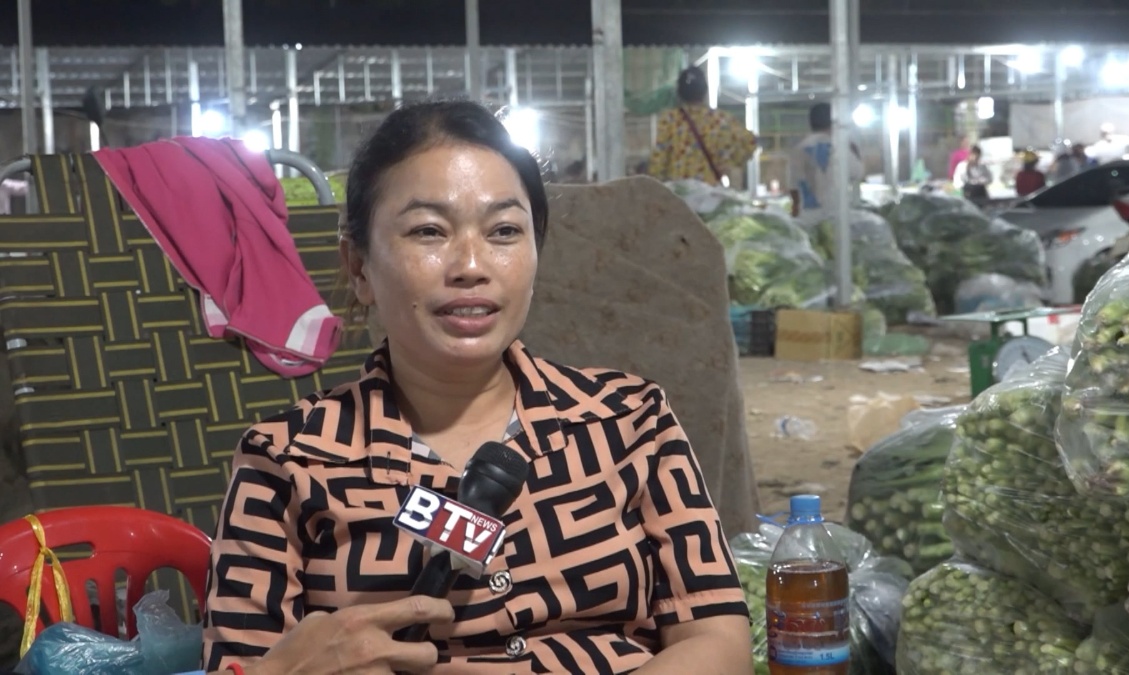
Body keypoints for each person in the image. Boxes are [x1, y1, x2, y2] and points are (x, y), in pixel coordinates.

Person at [200, 100, 753, 674]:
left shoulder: (630, 420)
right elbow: (241, 663)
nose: (471, 264)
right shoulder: (285, 461)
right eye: (429, 231)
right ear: (359, 267)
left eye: (504, 231)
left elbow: (717, 639)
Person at [648, 66, 758, 186]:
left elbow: (657, 165)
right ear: (705, 91)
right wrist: (728, 163)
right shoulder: (721, 120)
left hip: (678, 193)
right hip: (710, 192)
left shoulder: (669, 120)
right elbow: (750, 142)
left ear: (679, 94)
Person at [790, 102, 864, 214]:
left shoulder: (799, 149)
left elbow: (793, 186)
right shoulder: (840, 148)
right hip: (836, 214)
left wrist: (796, 211)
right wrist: (854, 151)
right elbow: (857, 173)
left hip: (807, 215)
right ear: (833, 122)